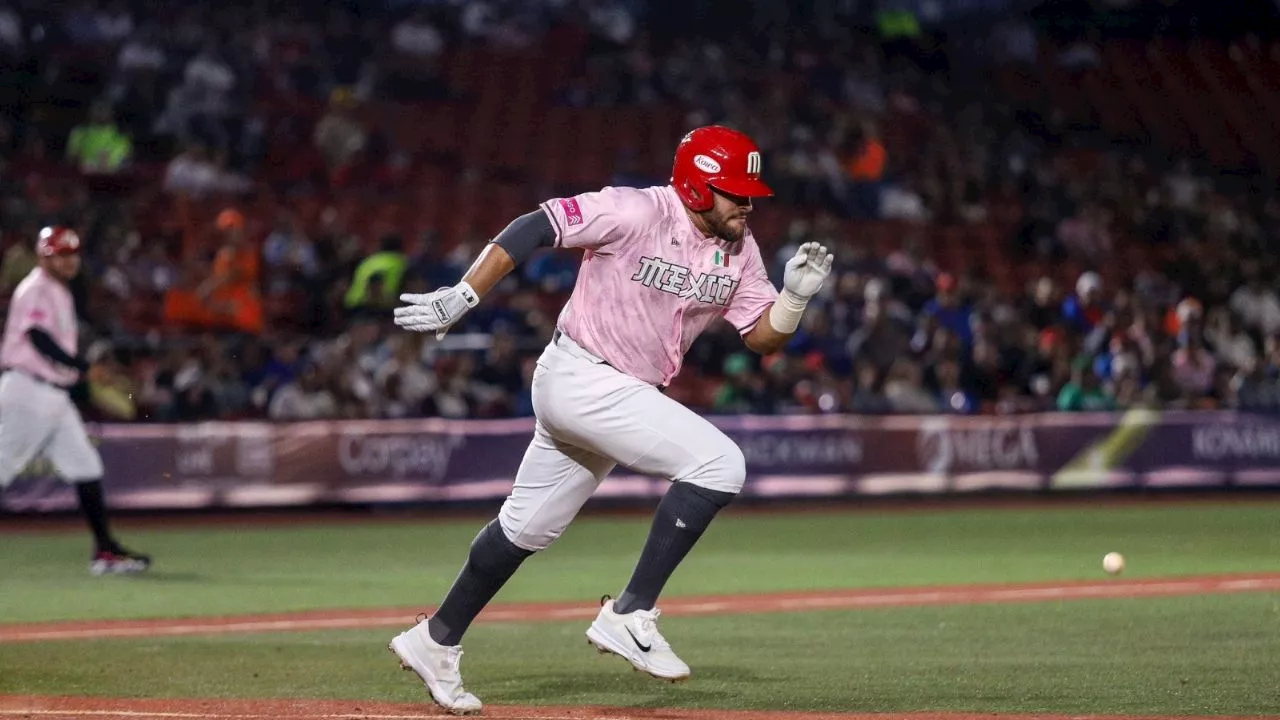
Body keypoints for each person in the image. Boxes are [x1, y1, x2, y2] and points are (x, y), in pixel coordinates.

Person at [389, 126, 834, 714]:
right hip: (581, 373)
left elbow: (761, 338)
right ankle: (630, 612)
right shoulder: (634, 209)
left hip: (618, 390)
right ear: (698, 188)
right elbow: (534, 225)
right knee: (720, 464)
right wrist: (465, 295)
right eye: (734, 192)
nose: (746, 204)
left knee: (526, 529)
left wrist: (794, 300)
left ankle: (435, 638)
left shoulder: (741, 249)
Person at [0, 227, 151, 575]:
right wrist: (83, 367)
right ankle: (106, 552)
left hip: (54, 395)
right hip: (29, 390)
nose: (69, 260)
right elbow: (37, 338)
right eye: (61, 254)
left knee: (87, 467)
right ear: (43, 256)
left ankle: (106, 553)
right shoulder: (35, 288)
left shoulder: (58, 290)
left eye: (73, 254)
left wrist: (81, 372)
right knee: (4, 468)